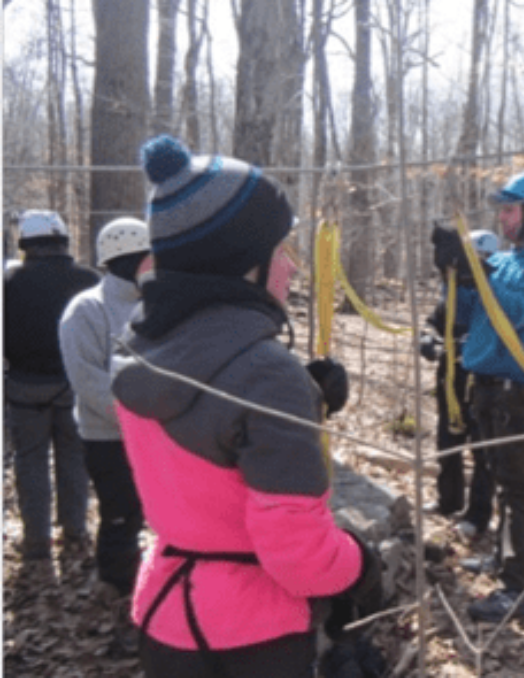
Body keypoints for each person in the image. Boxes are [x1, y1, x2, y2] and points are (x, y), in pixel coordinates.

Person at [110, 134, 380, 677]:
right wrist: (361, 563)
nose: (293, 268)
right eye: (282, 250)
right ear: (242, 262)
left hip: (165, 613)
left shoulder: (139, 342)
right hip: (253, 637)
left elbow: (201, 431)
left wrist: (307, 397)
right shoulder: (263, 375)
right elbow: (300, 556)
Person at [435, 172, 524, 623]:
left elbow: (517, 309)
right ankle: (503, 560)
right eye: (501, 210)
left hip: (515, 392)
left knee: (517, 487)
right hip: (484, 385)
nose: (502, 219)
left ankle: (516, 587)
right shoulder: (504, 263)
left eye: (508, 210)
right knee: (495, 476)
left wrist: (479, 273)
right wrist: (455, 276)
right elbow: (465, 315)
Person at [59, 217, 151, 652]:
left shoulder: (158, 305)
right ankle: (116, 593)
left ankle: (148, 592)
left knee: (155, 514)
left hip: (156, 434)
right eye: (139, 259)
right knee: (120, 516)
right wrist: (138, 415)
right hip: (107, 438)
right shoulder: (86, 310)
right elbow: (87, 382)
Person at [4, 210, 100, 561]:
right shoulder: (89, 280)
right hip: (75, 385)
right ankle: (75, 533)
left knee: (30, 463)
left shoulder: (9, 285)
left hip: (25, 386)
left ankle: (36, 542)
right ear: (63, 239)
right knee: (74, 458)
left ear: (25, 243)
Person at [420, 229, 500, 540]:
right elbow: (436, 319)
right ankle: (448, 499)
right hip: (451, 373)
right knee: (447, 441)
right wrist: (428, 338)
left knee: (481, 448)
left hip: (482, 376)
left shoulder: (493, 287)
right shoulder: (453, 287)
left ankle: (478, 515)